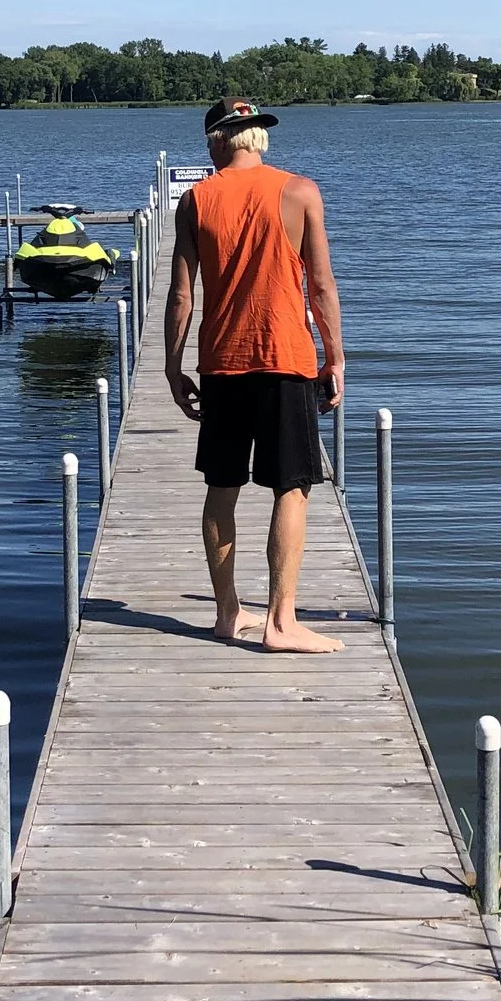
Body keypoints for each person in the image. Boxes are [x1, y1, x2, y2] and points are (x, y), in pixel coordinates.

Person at [164, 97, 346, 653]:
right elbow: (320, 287)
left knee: (222, 488)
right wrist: (335, 357)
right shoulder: (300, 192)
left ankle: (227, 613)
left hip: (221, 361)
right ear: (256, 137)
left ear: (216, 141)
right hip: (286, 358)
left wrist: (173, 368)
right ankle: (281, 622)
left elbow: (180, 296)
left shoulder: (195, 201)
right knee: (291, 487)